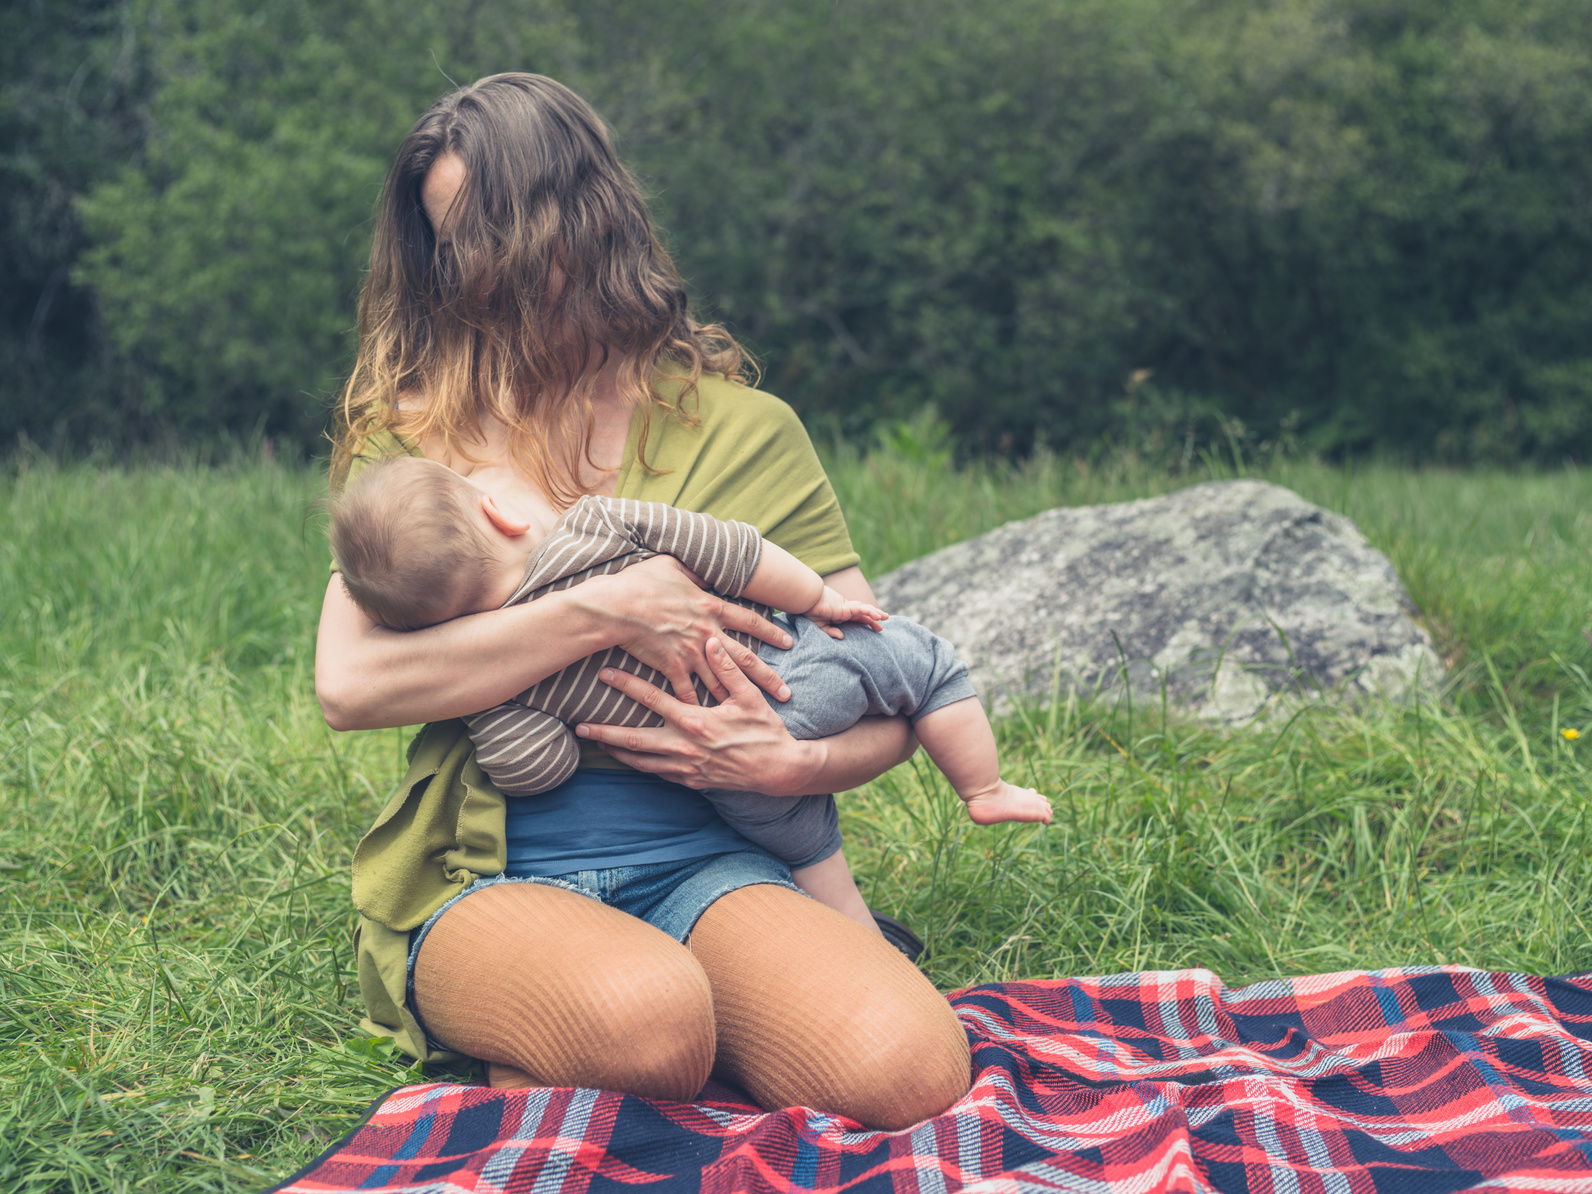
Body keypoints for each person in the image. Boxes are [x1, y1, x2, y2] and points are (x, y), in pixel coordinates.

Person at [316, 72, 973, 1129]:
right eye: (448, 245)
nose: (471, 273)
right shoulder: (422, 438)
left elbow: (887, 678)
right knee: (654, 1028)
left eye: (491, 233)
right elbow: (350, 685)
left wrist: (794, 765)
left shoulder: (748, 434)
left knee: (909, 1072)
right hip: (489, 868)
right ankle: (585, 1021)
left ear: (583, 215)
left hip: (713, 853)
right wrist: (605, 611)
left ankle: (619, 1048)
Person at [327, 457, 1054, 927]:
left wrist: (482, 688)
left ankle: (858, 937)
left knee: (809, 852)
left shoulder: (505, 680)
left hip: (719, 776)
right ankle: (982, 787)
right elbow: (729, 550)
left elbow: (536, 769)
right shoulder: (594, 522)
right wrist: (819, 599)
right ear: (503, 513)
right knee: (924, 666)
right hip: (793, 675)